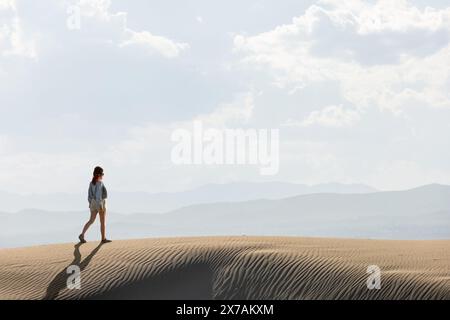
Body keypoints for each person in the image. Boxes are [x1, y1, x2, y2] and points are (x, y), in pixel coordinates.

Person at [78, 166, 112, 244]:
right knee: (102, 222)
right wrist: (100, 206)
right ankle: (103, 239)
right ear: (99, 174)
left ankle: (82, 234)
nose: (103, 175)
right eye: (102, 174)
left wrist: (91, 204)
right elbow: (98, 196)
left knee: (91, 220)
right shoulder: (99, 183)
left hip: (93, 203)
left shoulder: (91, 183)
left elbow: (89, 196)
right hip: (100, 204)